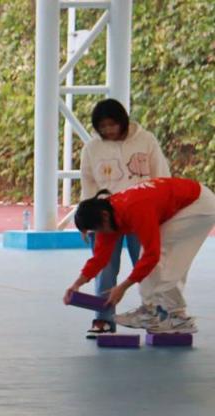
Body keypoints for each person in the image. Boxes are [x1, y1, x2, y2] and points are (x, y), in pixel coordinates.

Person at [64, 178, 215, 334]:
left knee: (154, 255)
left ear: (104, 216)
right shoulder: (106, 216)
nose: (99, 234)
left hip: (198, 204)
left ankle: (150, 312)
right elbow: (99, 259)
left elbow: (152, 255)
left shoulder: (135, 208)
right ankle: (177, 318)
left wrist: (122, 287)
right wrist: (76, 284)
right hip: (190, 202)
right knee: (169, 263)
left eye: (97, 229)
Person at [79, 99, 170, 337]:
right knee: (104, 268)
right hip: (105, 218)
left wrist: (162, 213)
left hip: (142, 214)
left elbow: (161, 175)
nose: (108, 130)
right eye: (102, 126)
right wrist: (86, 222)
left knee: (150, 265)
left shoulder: (146, 140)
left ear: (123, 121)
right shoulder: (91, 149)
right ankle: (103, 319)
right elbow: (88, 184)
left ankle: (157, 316)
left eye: (112, 124)